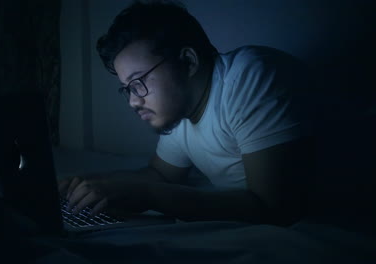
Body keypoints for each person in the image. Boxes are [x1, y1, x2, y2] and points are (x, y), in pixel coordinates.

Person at [59, 0, 315, 225]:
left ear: (189, 61)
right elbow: (160, 175)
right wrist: (90, 183)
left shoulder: (250, 76)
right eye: (127, 89)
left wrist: (149, 195)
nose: (133, 102)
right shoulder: (180, 112)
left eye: (139, 83)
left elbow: (274, 209)